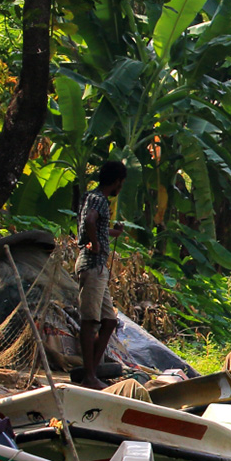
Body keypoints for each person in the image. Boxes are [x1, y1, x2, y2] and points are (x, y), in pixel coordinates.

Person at [76, 158, 126, 389]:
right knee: (91, 321)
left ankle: (92, 373)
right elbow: (90, 221)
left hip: (99, 269)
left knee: (109, 321)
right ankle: (89, 376)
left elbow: (95, 223)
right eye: (121, 182)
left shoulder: (93, 198)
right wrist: (95, 243)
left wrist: (112, 232)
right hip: (92, 265)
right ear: (116, 181)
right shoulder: (99, 199)